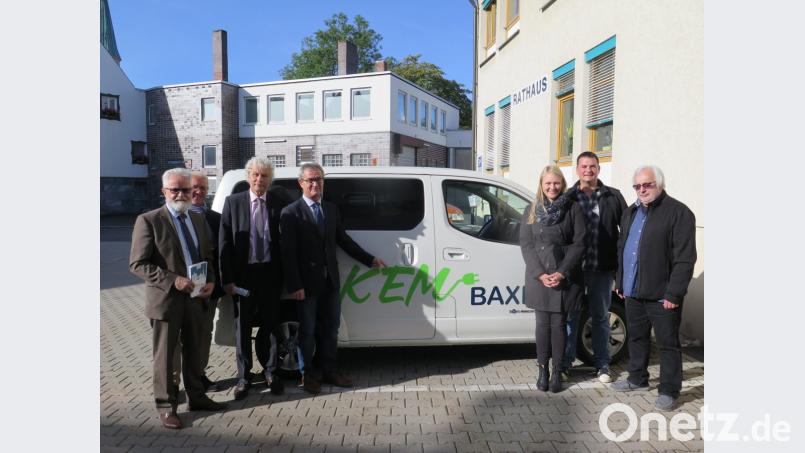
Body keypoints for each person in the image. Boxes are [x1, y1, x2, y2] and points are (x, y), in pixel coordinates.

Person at [129, 168, 227, 430]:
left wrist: (211, 281)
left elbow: (207, 256)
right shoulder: (149, 220)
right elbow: (138, 264)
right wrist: (174, 280)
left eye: (185, 189)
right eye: (176, 189)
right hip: (167, 301)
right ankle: (166, 406)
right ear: (164, 192)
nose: (182, 194)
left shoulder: (196, 219)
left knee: (195, 352)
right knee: (166, 357)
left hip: (196, 298)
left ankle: (197, 397)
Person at [280, 162, 386, 394]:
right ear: (301, 183)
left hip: (331, 282)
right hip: (305, 285)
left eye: (319, 179)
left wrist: (369, 259)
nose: (316, 184)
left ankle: (329, 371)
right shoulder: (290, 213)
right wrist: (294, 284)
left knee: (331, 330)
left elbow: (343, 241)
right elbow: (287, 254)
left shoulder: (330, 209)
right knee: (307, 331)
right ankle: (307, 375)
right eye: (311, 180)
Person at [610, 165, 696, 411]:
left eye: (647, 185)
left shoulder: (678, 213)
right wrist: (620, 280)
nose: (642, 190)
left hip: (662, 296)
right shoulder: (630, 212)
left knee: (668, 344)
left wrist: (674, 292)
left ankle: (669, 390)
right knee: (637, 338)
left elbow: (685, 258)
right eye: (637, 186)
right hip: (633, 290)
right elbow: (622, 250)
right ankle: (637, 378)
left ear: (660, 184)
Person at [219, 157, 287, 400]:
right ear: (249, 177)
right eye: (256, 175)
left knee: (270, 324)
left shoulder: (279, 203)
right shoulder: (233, 203)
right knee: (243, 327)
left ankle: (271, 372)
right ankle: (243, 377)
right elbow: (224, 244)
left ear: (270, 179)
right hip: (242, 276)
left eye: (265, 176)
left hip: (270, 273)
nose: (260, 180)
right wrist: (227, 279)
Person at [519, 165, 586, 393]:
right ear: (541, 184)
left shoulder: (573, 208)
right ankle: (542, 370)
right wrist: (540, 274)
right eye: (548, 183)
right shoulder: (531, 209)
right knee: (541, 325)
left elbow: (579, 244)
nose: (552, 187)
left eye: (556, 183)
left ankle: (557, 371)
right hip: (539, 277)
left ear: (563, 184)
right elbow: (526, 245)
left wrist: (561, 272)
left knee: (558, 325)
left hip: (562, 276)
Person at [562, 152, 627, 383]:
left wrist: (621, 271)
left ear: (599, 169)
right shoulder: (568, 197)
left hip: (602, 268)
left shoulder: (614, 197)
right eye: (583, 166)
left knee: (601, 317)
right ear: (577, 170)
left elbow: (625, 235)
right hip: (575, 270)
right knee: (571, 316)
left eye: (592, 166)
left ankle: (602, 365)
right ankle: (565, 363)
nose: (588, 170)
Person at [170, 173, 224, 393]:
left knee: (203, 333)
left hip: (204, 288)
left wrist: (216, 283)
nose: (198, 191)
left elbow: (220, 254)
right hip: (177, 289)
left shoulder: (215, 218)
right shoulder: (170, 218)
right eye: (194, 187)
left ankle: (199, 376)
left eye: (202, 187)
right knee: (175, 340)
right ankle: (172, 385)